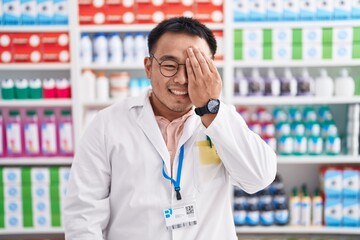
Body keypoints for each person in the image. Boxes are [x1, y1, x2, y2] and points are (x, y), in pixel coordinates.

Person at [64, 17, 277, 240]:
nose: (182, 79)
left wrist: (209, 109)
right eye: (169, 66)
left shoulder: (221, 120)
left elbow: (259, 178)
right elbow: (83, 215)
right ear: (148, 67)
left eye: (195, 66)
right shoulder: (107, 124)